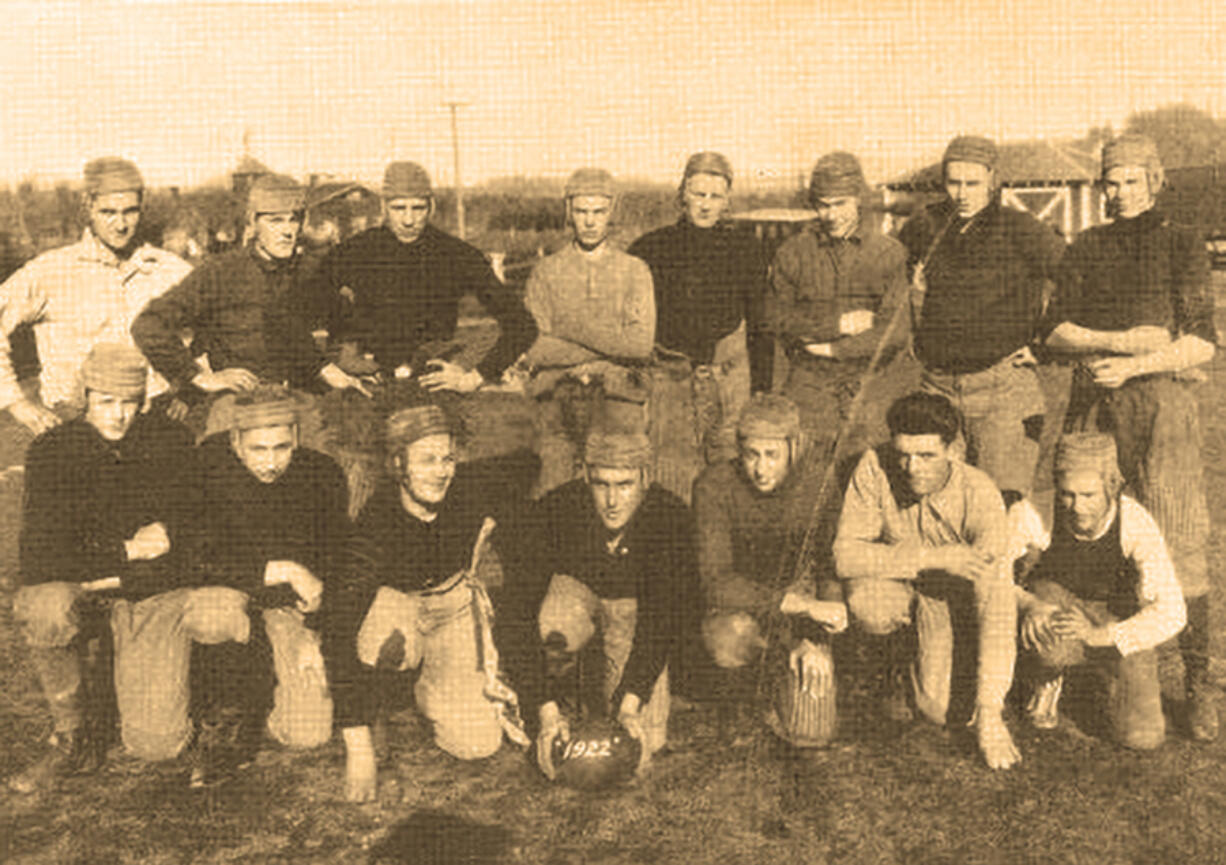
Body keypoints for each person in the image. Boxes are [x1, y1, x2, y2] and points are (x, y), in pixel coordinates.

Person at [1044, 132, 1219, 740]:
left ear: (1154, 180)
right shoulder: (1086, 245)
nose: (1118, 192)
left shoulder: (1179, 241)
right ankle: (1093, 662)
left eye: (1130, 180)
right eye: (1110, 182)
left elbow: (1201, 342)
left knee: (1179, 542)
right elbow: (1056, 331)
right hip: (1095, 401)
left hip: (1162, 407)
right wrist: (1124, 342)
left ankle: (1200, 688)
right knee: (1085, 526)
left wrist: (1142, 362)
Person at [323, 404, 537, 801]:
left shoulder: (471, 490)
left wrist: (497, 527)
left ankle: (428, 686)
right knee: (386, 637)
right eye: (426, 460)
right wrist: (358, 746)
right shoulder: (377, 522)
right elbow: (338, 627)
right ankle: (376, 705)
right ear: (398, 463)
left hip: (452, 606)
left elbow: (528, 464)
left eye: (447, 458)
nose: (441, 471)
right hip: (398, 609)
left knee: (477, 745)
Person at [8, 344, 198, 792]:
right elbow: (39, 556)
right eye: (106, 402)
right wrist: (127, 550)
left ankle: (175, 695)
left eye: (129, 402)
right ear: (85, 396)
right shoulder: (52, 450)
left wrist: (120, 568)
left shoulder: (171, 443)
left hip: (146, 592)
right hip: (97, 581)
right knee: (46, 603)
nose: (118, 415)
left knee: (157, 743)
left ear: (144, 402)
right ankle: (71, 735)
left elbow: (190, 544)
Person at [833, 391, 1019, 770]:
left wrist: (990, 714)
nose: (911, 467)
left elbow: (996, 606)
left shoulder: (980, 493)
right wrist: (936, 558)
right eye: (903, 453)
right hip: (895, 585)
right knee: (870, 605)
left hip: (946, 600)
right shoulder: (874, 466)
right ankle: (889, 670)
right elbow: (844, 555)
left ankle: (935, 676)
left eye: (926, 456)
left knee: (938, 710)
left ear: (954, 449)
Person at [187, 386, 348, 785]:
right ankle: (224, 715)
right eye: (258, 449)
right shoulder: (206, 468)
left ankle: (266, 688)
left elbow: (337, 562)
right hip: (229, 593)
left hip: (288, 609)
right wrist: (282, 569)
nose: (271, 462)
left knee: (307, 734)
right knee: (213, 616)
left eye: (281, 447)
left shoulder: (322, 474)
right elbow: (193, 556)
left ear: (295, 436)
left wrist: (315, 632)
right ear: (235, 441)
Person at [131, 174, 367, 444]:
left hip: (299, 401)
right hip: (240, 403)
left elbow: (337, 322)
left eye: (294, 219)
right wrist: (197, 377)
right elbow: (148, 326)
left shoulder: (309, 271)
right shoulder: (221, 271)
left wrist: (338, 367)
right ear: (253, 222)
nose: (287, 230)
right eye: (275, 220)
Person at [899, 135, 1063, 497]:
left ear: (992, 178)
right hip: (937, 389)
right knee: (939, 505)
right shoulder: (924, 225)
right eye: (953, 182)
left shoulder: (1020, 229)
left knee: (1002, 507)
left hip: (1002, 391)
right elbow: (893, 285)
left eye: (972, 183)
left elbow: (1079, 278)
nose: (961, 193)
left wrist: (1047, 347)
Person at [530, 429, 699, 778]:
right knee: (553, 623)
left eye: (624, 485)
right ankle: (564, 689)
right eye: (601, 484)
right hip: (577, 602)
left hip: (634, 614)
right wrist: (543, 708)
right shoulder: (557, 508)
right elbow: (520, 609)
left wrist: (631, 702)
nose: (612, 500)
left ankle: (607, 680)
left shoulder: (670, 516)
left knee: (644, 741)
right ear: (586, 478)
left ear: (645, 479)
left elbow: (661, 619)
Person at [0, 157, 191, 450]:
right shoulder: (53, 271)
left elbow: (214, 327)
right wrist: (16, 402)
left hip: (152, 423)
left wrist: (191, 385)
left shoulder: (168, 269)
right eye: (108, 212)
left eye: (130, 211)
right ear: (87, 208)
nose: (121, 224)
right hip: (75, 425)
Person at [693, 394, 848, 748]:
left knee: (812, 733)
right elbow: (716, 583)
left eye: (772, 455)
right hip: (743, 610)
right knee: (728, 638)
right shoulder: (713, 485)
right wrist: (801, 607)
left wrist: (818, 639)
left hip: (801, 612)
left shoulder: (819, 482)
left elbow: (829, 567)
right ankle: (740, 701)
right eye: (751, 455)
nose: (760, 469)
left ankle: (785, 677)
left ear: (795, 448)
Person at [1017, 433, 1184, 749]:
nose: (1077, 507)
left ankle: (1108, 676)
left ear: (1112, 486)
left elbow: (1173, 609)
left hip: (1114, 616)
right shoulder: (1034, 509)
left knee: (1142, 738)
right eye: (1067, 494)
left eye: (1088, 495)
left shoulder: (1135, 521)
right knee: (1052, 640)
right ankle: (1047, 676)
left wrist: (1105, 635)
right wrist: (1029, 604)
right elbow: (991, 576)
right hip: (1057, 605)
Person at [314, 161, 537, 393]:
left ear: (431, 206)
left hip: (435, 385)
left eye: (418, 208)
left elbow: (522, 325)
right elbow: (295, 317)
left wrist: (475, 376)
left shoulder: (457, 254)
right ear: (383, 205)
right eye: (399, 208)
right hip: (367, 386)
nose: (408, 220)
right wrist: (328, 368)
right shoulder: (353, 252)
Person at [627, 152, 772, 490]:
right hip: (669, 386)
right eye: (698, 194)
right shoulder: (650, 249)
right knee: (671, 479)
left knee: (729, 480)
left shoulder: (746, 249)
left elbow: (761, 328)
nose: (706, 205)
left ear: (727, 201)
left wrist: (761, 393)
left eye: (715, 196)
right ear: (682, 195)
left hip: (728, 386)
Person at [522, 168, 656, 495]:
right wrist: (611, 344)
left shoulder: (634, 270)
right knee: (553, 500)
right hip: (558, 398)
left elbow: (639, 345)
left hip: (617, 399)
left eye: (599, 211)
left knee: (618, 497)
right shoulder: (547, 271)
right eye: (581, 211)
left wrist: (567, 328)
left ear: (612, 212)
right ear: (569, 211)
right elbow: (535, 347)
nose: (590, 221)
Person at [770, 151, 909, 463]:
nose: (831, 215)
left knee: (872, 476)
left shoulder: (888, 253)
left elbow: (895, 332)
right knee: (804, 475)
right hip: (808, 383)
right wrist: (839, 325)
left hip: (871, 383)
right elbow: (778, 320)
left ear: (859, 198)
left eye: (840, 203)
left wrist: (831, 349)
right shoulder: (793, 253)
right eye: (823, 204)